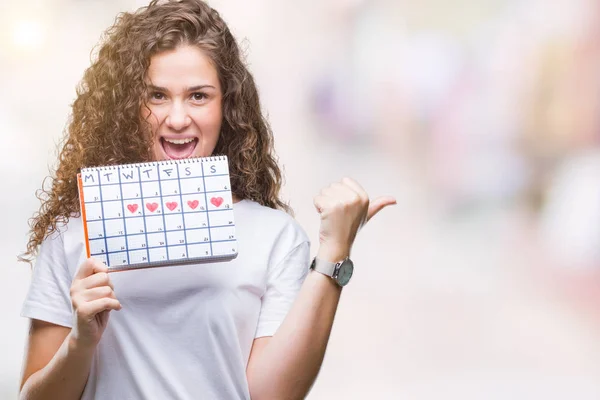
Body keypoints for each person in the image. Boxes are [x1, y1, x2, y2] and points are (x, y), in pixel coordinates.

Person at [18, 1, 396, 399]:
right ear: (126, 106)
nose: (178, 118)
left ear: (227, 107)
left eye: (198, 96)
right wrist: (81, 340)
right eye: (157, 96)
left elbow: (272, 395)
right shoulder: (73, 236)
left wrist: (335, 250)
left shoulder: (274, 237)